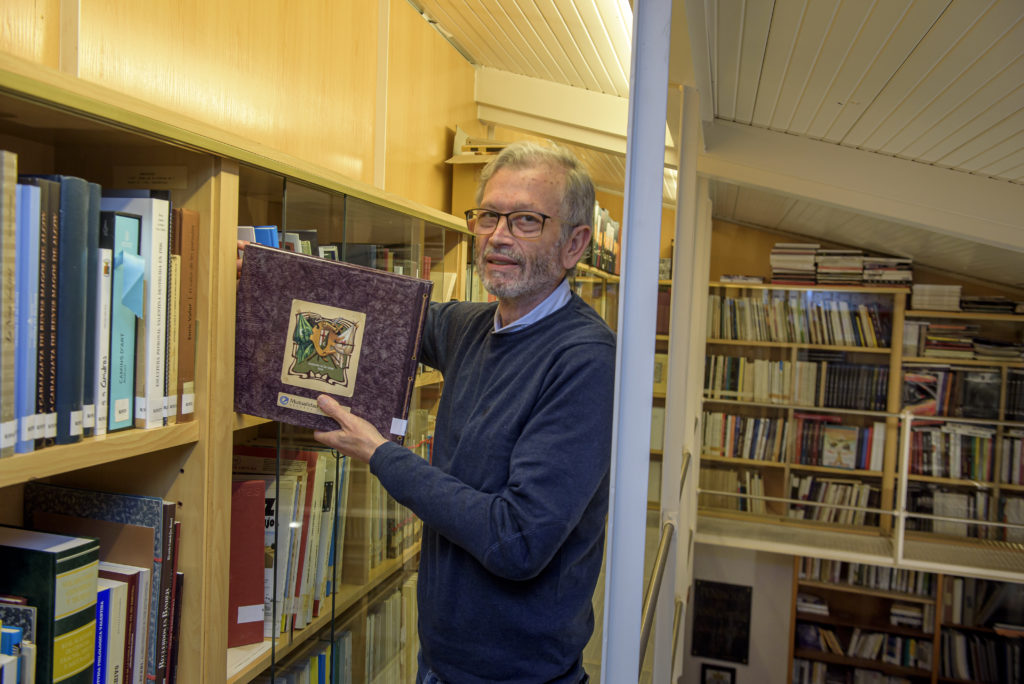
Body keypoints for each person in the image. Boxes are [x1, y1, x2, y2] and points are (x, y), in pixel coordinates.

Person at [313, 141, 616, 684]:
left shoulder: (586, 361)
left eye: (526, 220)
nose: (498, 236)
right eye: (488, 217)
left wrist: (382, 455)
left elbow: (518, 540)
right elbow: (382, 314)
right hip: (440, 665)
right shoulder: (471, 327)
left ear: (574, 244)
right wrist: (270, 276)